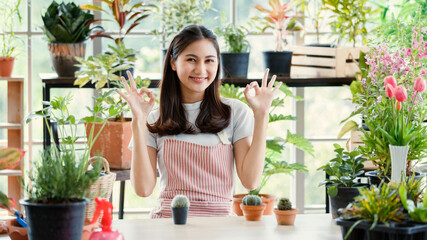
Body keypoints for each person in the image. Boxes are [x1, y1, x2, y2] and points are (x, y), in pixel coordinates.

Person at [117, 25, 281, 218]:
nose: (200, 69)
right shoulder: (153, 119)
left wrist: (262, 115)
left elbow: (250, 181)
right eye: (191, 59)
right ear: (173, 62)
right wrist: (138, 120)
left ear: (217, 63)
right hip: (169, 226)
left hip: (220, 229)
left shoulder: (235, 112)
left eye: (209, 60)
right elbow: (143, 189)